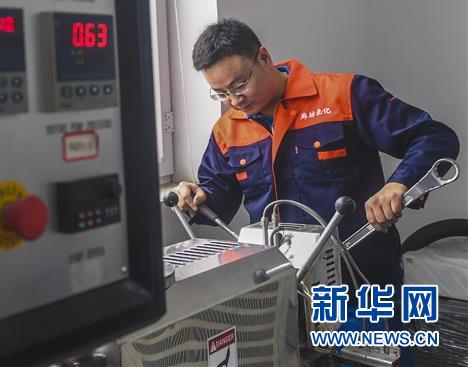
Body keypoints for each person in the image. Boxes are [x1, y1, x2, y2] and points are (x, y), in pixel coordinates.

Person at [170, 18, 459, 291]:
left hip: (361, 276)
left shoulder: (345, 95)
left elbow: (434, 137)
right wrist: (197, 197)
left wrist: (399, 184)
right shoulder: (227, 130)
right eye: (220, 93)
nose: (234, 100)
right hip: (280, 283)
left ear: (264, 57)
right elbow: (219, 199)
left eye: (239, 85)